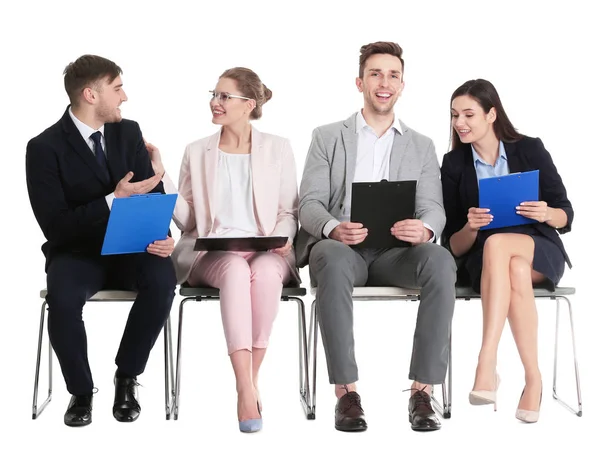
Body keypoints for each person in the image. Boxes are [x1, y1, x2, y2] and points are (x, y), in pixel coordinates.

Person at [296, 41, 456, 432]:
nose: (384, 82)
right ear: (360, 82)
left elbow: (434, 206)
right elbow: (309, 204)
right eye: (376, 74)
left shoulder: (421, 145)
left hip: (396, 253)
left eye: (393, 75)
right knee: (331, 257)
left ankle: (422, 390)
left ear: (402, 85)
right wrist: (334, 227)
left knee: (440, 260)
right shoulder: (327, 136)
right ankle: (346, 393)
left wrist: (427, 228)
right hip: (343, 250)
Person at [25, 55, 177, 427]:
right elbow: (55, 226)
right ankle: (80, 391)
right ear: (91, 95)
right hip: (77, 253)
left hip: (132, 247)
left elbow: (148, 196)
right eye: (118, 88)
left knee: (163, 281)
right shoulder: (43, 148)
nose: (124, 97)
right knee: (62, 300)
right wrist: (113, 200)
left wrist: (163, 237)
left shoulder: (129, 132)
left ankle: (126, 376)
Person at [146, 67, 300, 433]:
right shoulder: (197, 150)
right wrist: (161, 175)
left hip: (267, 251)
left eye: (223, 96)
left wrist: (281, 239)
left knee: (261, 271)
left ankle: (247, 383)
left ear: (248, 105)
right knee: (233, 268)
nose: (215, 103)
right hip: (210, 254)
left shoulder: (277, 147)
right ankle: (247, 387)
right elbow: (187, 220)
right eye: (213, 95)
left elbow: (287, 211)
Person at [440, 78, 573, 423]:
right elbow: (451, 245)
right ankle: (534, 378)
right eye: (455, 115)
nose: (459, 123)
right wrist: (470, 227)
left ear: (491, 114)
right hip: (483, 260)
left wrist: (546, 212)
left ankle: (487, 361)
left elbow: (565, 213)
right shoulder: (454, 164)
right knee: (508, 264)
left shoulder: (529, 149)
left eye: (468, 114)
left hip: (538, 248)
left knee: (502, 246)